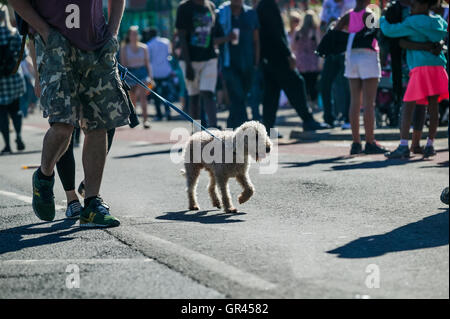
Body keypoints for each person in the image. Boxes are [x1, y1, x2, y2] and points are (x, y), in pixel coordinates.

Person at [10, 0, 129, 228]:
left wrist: (112, 32)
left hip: (96, 44)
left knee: (98, 124)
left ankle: (92, 203)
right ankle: (44, 176)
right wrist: (44, 31)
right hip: (55, 44)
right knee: (63, 125)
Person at [381, 0, 448, 159]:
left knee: (408, 106)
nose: (411, 9)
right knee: (433, 106)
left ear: (424, 5)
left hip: (419, 67)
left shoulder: (411, 22)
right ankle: (430, 144)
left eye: (414, 5)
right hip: (438, 66)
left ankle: (403, 145)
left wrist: (382, 18)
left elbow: (390, 31)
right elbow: (442, 35)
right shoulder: (439, 22)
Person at [257, 0, 330, 136]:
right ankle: (307, 120)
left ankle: (267, 128)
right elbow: (275, 33)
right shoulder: (268, 6)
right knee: (296, 83)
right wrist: (288, 54)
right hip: (277, 57)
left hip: (268, 57)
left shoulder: (264, 5)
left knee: (271, 93)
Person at [335, 0, 388, 155]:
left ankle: (356, 142)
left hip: (351, 56)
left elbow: (336, 30)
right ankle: (370, 141)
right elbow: (377, 35)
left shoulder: (348, 16)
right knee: (369, 103)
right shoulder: (369, 14)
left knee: (354, 101)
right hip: (368, 55)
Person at [176, 0, 230, 129]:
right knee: (194, 96)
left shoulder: (210, 6)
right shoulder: (184, 7)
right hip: (189, 59)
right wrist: (188, 66)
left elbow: (214, 34)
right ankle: (196, 130)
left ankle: (213, 128)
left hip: (209, 58)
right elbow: (182, 37)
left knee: (208, 93)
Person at [217, 0, 260, 129]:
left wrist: (256, 62)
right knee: (238, 95)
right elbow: (213, 40)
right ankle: (245, 128)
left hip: (248, 63)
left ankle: (231, 127)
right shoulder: (221, 14)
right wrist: (227, 38)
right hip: (228, 63)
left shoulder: (251, 13)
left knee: (239, 98)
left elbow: (256, 39)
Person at [320, 0, 355, 128]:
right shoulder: (327, 3)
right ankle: (328, 117)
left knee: (347, 84)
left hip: (347, 48)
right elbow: (322, 26)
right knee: (325, 83)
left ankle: (347, 118)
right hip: (332, 48)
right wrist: (331, 26)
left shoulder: (352, 3)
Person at [0, 6, 25, 155]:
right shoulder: (13, 33)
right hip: (14, 78)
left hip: (0, 82)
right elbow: (23, 54)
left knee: (2, 113)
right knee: (16, 110)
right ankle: (19, 136)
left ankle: (7, 144)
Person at [120, 26, 153, 129]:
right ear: (129, 36)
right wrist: (123, 79)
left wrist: (151, 77)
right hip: (130, 72)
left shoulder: (144, 47)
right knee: (132, 98)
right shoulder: (124, 48)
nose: (134, 36)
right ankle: (134, 119)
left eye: (136, 34)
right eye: (132, 34)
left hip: (142, 72)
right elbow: (123, 64)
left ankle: (146, 120)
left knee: (143, 97)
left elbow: (148, 63)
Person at [291, 9, 322, 106]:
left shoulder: (297, 31)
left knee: (303, 83)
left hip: (300, 61)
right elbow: (319, 45)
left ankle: (305, 102)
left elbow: (292, 46)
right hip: (312, 61)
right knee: (313, 82)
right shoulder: (314, 31)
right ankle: (313, 102)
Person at [147, 28, 174, 121]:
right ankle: (168, 112)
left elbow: (148, 59)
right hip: (166, 71)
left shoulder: (149, 45)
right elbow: (169, 54)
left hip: (155, 73)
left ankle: (159, 114)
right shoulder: (166, 42)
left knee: (156, 94)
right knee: (167, 93)